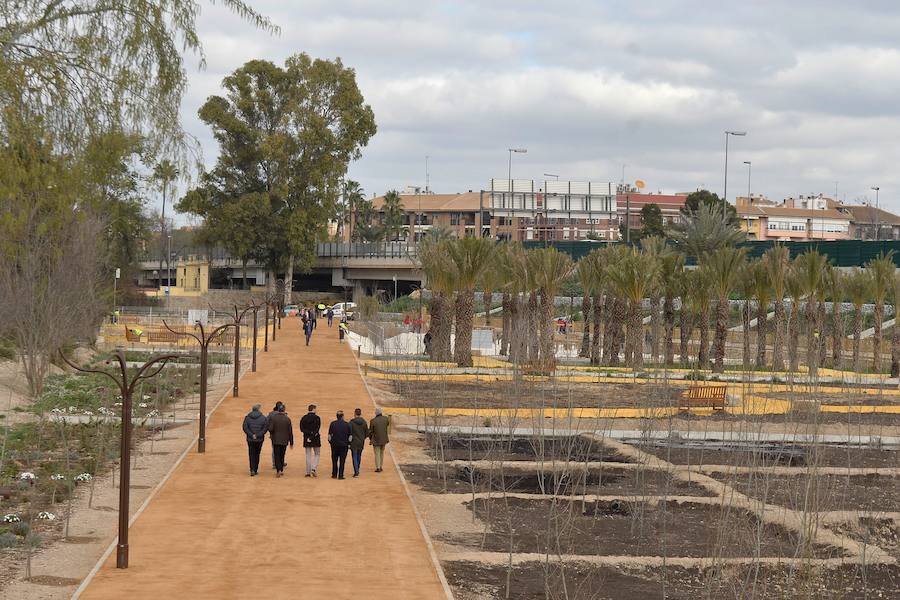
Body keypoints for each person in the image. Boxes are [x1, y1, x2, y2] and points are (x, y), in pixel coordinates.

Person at [267, 401, 293, 477]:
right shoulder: (287, 419)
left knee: (277, 455)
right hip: (284, 440)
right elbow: (290, 431)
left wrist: (272, 433)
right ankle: (281, 469)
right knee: (282, 455)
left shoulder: (274, 418)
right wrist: (291, 442)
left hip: (275, 439)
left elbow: (271, 429)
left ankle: (278, 470)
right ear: (284, 410)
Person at [241, 403, 268, 476]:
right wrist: (257, 435)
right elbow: (265, 429)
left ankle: (252, 469)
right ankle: (255, 469)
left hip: (250, 439)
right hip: (259, 439)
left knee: (251, 454)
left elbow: (245, 427)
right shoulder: (263, 418)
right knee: (257, 454)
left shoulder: (247, 417)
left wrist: (251, 435)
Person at [327, 410, 351, 479]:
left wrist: (330, 442)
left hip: (334, 445)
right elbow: (350, 436)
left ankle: (334, 474)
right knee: (342, 461)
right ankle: (340, 475)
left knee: (334, 460)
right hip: (344, 445)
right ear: (342, 416)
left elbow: (329, 435)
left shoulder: (332, 424)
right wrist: (349, 443)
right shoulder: (347, 424)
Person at [299, 404, 322, 477]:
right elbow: (317, 429)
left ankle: (308, 472)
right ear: (313, 409)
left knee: (308, 455)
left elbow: (301, 429)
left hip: (306, 438)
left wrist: (308, 435)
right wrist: (312, 435)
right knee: (317, 454)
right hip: (315, 438)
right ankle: (314, 468)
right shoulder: (317, 418)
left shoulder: (304, 418)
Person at [368, 407, 390, 473]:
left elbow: (370, 431)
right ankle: (380, 466)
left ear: (376, 413)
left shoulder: (373, 421)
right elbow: (387, 425)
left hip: (376, 439)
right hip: (384, 439)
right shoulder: (386, 419)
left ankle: (378, 467)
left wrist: (370, 438)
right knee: (382, 453)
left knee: (377, 453)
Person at [349, 408, 368, 478]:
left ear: (354, 413)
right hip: (361, 442)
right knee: (359, 456)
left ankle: (356, 472)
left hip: (354, 442)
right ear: (360, 413)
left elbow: (349, 432)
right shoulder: (364, 422)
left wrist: (349, 441)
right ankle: (358, 469)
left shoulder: (351, 422)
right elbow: (367, 433)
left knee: (354, 456)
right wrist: (363, 438)